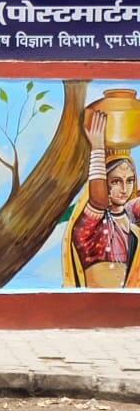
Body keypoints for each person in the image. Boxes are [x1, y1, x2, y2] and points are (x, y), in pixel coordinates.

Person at [67, 109, 140, 288]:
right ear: (104, 183)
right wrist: (98, 148)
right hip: (96, 310)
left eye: (130, 180)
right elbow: (99, 201)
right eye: (116, 181)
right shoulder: (92, 229)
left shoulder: (133, 217)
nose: (125, 189)